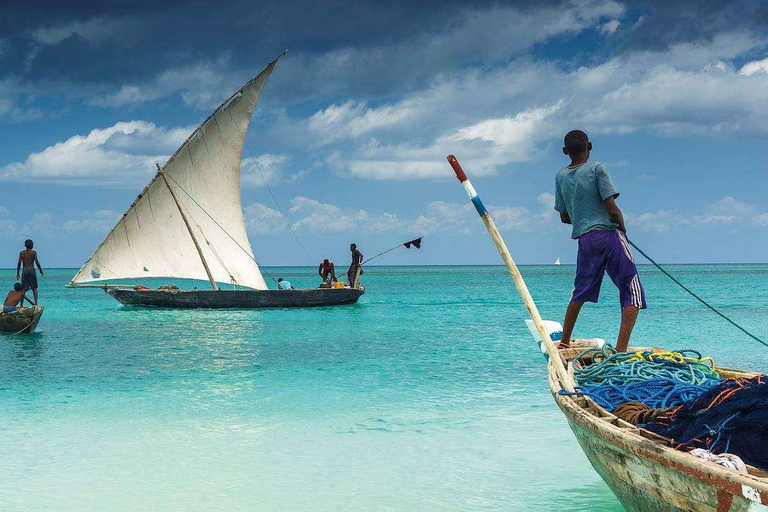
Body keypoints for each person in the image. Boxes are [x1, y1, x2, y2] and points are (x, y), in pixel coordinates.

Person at [554, 130, 646, 352]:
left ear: (565, 151)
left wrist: (584, 218)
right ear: (590, 146)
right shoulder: (597, 169)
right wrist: (621, 227)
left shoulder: (561, 176)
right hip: (609, 234)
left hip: (585, 240)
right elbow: (612, 209)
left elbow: (565, 216)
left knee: (580, 291)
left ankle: (564, 341)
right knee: (632, 289)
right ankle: (621, 350)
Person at [17, 239, 44, 305]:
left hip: (25, 271)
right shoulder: (33, 253)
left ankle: (21, 305)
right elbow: (37, 262)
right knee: (34, 288)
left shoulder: (22, 253)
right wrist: (40, 270)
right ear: (31, 245)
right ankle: (36, 303)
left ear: (25, 245)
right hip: (32, 270)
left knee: (23, 288)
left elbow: (19, 263)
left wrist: (17, 273)